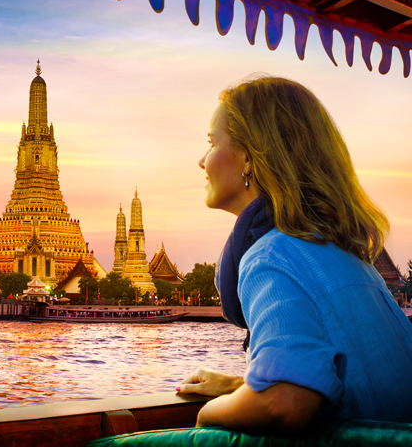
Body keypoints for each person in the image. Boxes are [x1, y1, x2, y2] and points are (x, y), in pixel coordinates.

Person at [177, 76, 412, 433]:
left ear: (246, 157)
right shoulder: (345, 256)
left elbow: (286, 403)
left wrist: (207, 415)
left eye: (210, 143)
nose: (201, 160)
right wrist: (240, 387)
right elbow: (348, 382)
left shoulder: (271, 257)